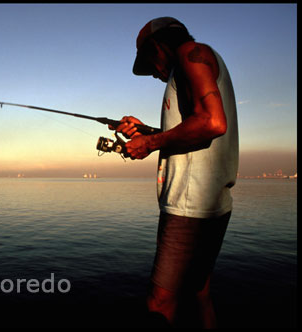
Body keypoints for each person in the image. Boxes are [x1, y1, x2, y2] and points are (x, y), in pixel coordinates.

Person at [110, 17, 239, 328]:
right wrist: (145, 131)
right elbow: (195, 129)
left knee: (159, 303)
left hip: (187, 207)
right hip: (213, 203)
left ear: (158, 46)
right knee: (199, 292)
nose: (154, 73)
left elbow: (212, 123)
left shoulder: (189, 53)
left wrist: (150, 143)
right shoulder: (206, 58)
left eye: (149, 62)